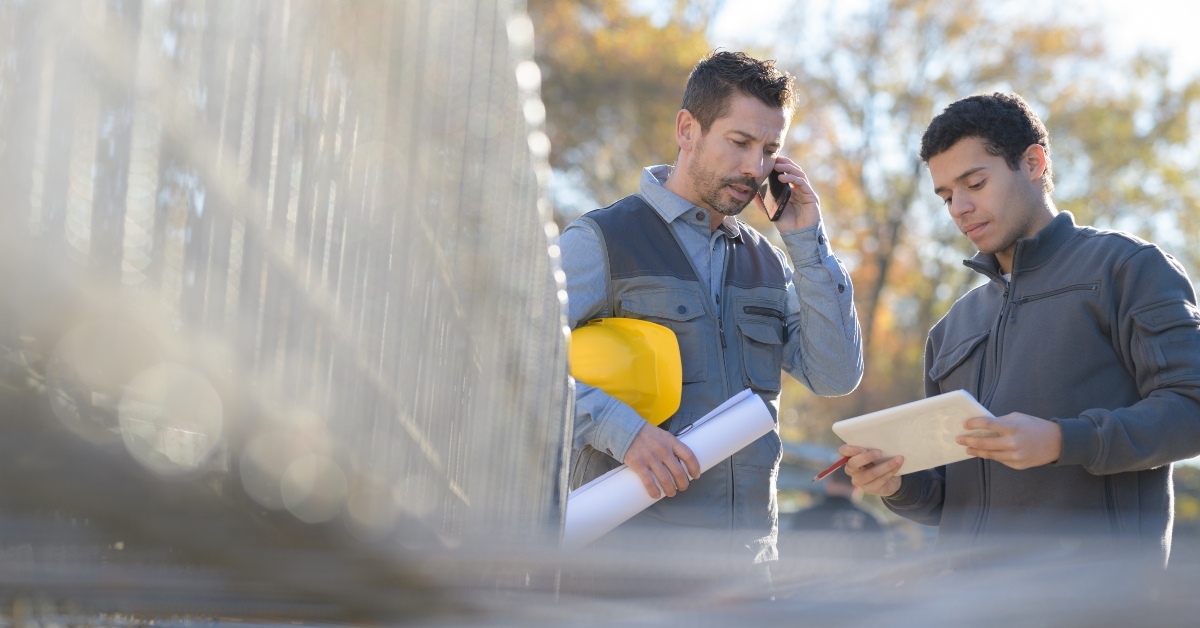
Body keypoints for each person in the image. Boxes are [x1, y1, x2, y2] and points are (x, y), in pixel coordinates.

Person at [841, 92, 1200, 562]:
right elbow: (951, 498)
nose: (959, 208)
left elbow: (1191, 408)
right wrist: (897, 484)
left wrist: (1061, 440)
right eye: (947, 195)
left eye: (975, 183)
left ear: (1032, 163)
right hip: (970, 602)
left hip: (1099, 602)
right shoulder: (950, 329)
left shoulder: (1128, 269)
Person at [558, 50, 863, 563]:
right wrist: (622, 431)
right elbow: (518, 366)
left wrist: (808, 242)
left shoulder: (769, 261)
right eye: (740, 142)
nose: (754, 167)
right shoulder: (600, 241)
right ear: (687, 130)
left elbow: (836, 375)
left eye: (770, 149)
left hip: (745, 577)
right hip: (624, 575)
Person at [788, 466, 887, 559]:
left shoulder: (804, 517)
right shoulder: (869, 520)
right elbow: (881, 560)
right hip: (857, 576)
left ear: (828, 483)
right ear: (857, 487)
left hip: (813, 577)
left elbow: (790, 555)